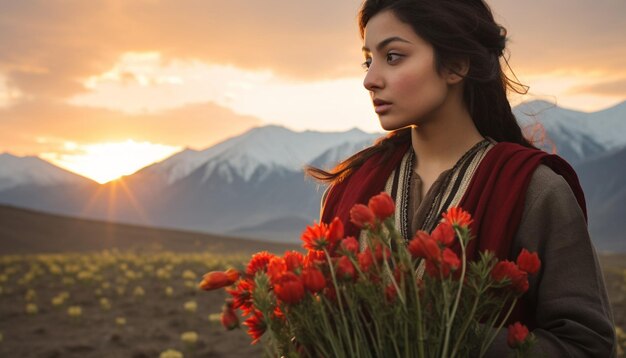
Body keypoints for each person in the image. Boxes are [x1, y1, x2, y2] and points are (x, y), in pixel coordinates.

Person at [305, 0, 616, 356]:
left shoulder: (534, 190)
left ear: (456, 65)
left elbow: (586, 346)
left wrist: (449, 337)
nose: (370, 80)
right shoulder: (350, 189)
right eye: (368, 59)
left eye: (392, 56)